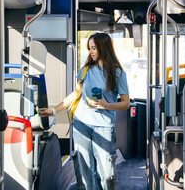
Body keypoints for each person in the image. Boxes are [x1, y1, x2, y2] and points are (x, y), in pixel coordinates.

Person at [39, 32, 130, 190]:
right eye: (89, 48)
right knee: (83, 170)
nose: (91, 52)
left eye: (94, 48)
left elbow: (125, 103)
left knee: (107, 173)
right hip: (81, 124)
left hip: (104, 127)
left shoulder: (118, 73)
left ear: (103, 48)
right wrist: (53, 110)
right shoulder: (86, 70)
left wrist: (105, 105)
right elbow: (75, 94)